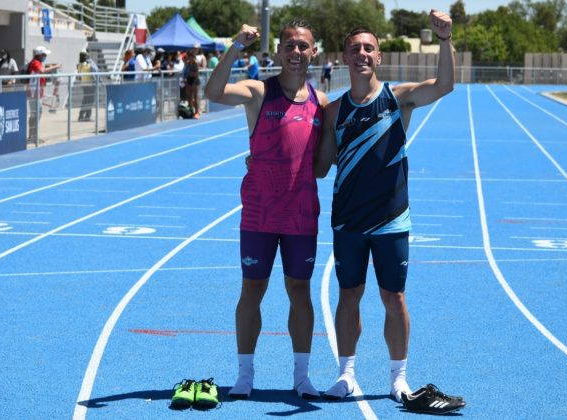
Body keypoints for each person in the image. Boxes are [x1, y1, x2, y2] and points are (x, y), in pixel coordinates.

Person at [314, 10, 464, 414]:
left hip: (392, 219)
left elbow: (446, 85)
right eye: (354, 49)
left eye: (368, 48)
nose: (361, 53)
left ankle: (398, 379)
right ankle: (346, 373)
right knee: (349, 295)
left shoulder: (398, 99)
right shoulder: (333, 112)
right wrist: (265, 159)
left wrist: (445, 39)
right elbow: (320, 167)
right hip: (347, 219)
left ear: (379, 57)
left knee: (393, 297)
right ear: (344, 58)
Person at [204, 18, 328, 401]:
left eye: (302, 46)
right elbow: (213, 92)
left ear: (313, 53)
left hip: (301, 215)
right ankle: (244, 374)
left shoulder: (321, 103)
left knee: (299, 291)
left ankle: (302, 376)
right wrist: (236, 46)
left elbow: (321, 166)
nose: (295, 52)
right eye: (289, 45)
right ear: (278, 51)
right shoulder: (259, 91)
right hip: (259, 213)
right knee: (252, 289)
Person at [27, 46, 61, 142]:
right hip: (34, 92)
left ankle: (33, 136)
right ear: (40, 55)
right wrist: (55, 66)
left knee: (37, 114)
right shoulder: (35, 62)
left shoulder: (38, 62)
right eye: (44, 55)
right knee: (35, 114)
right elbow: (41, 71)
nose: (45, 56)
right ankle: (32, 136)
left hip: (37, 91)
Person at [76, 49, 99, 122]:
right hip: (90, 85)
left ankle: (81, 116)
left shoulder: (79, 65)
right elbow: (95, 69)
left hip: (84, 85)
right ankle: (87, 116)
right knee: (90, 101)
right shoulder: (89, 64)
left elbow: (79, 76)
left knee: (85, 101)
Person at [181, 49, 201, 119]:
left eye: (190, 56)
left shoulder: (196, 63)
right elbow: (185, 72)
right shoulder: (188, 63)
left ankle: (197, 112)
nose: (189, 58)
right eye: (188, 56)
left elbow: (197, 74)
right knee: (189, 97)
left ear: (193, 56)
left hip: (195, 81)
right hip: (189, 80)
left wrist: (191, 73)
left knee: (195, 97)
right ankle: (191, 111)